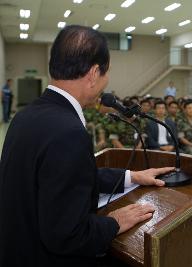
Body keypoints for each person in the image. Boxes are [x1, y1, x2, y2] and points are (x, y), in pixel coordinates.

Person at [0, 25, 175, 267]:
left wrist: (132, 176)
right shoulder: (68, 132)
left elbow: (64, 178)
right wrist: (114, 222)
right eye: (107, 72)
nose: (107, 80)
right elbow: (67, 235)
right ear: (94, 73)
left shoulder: (26, 115)